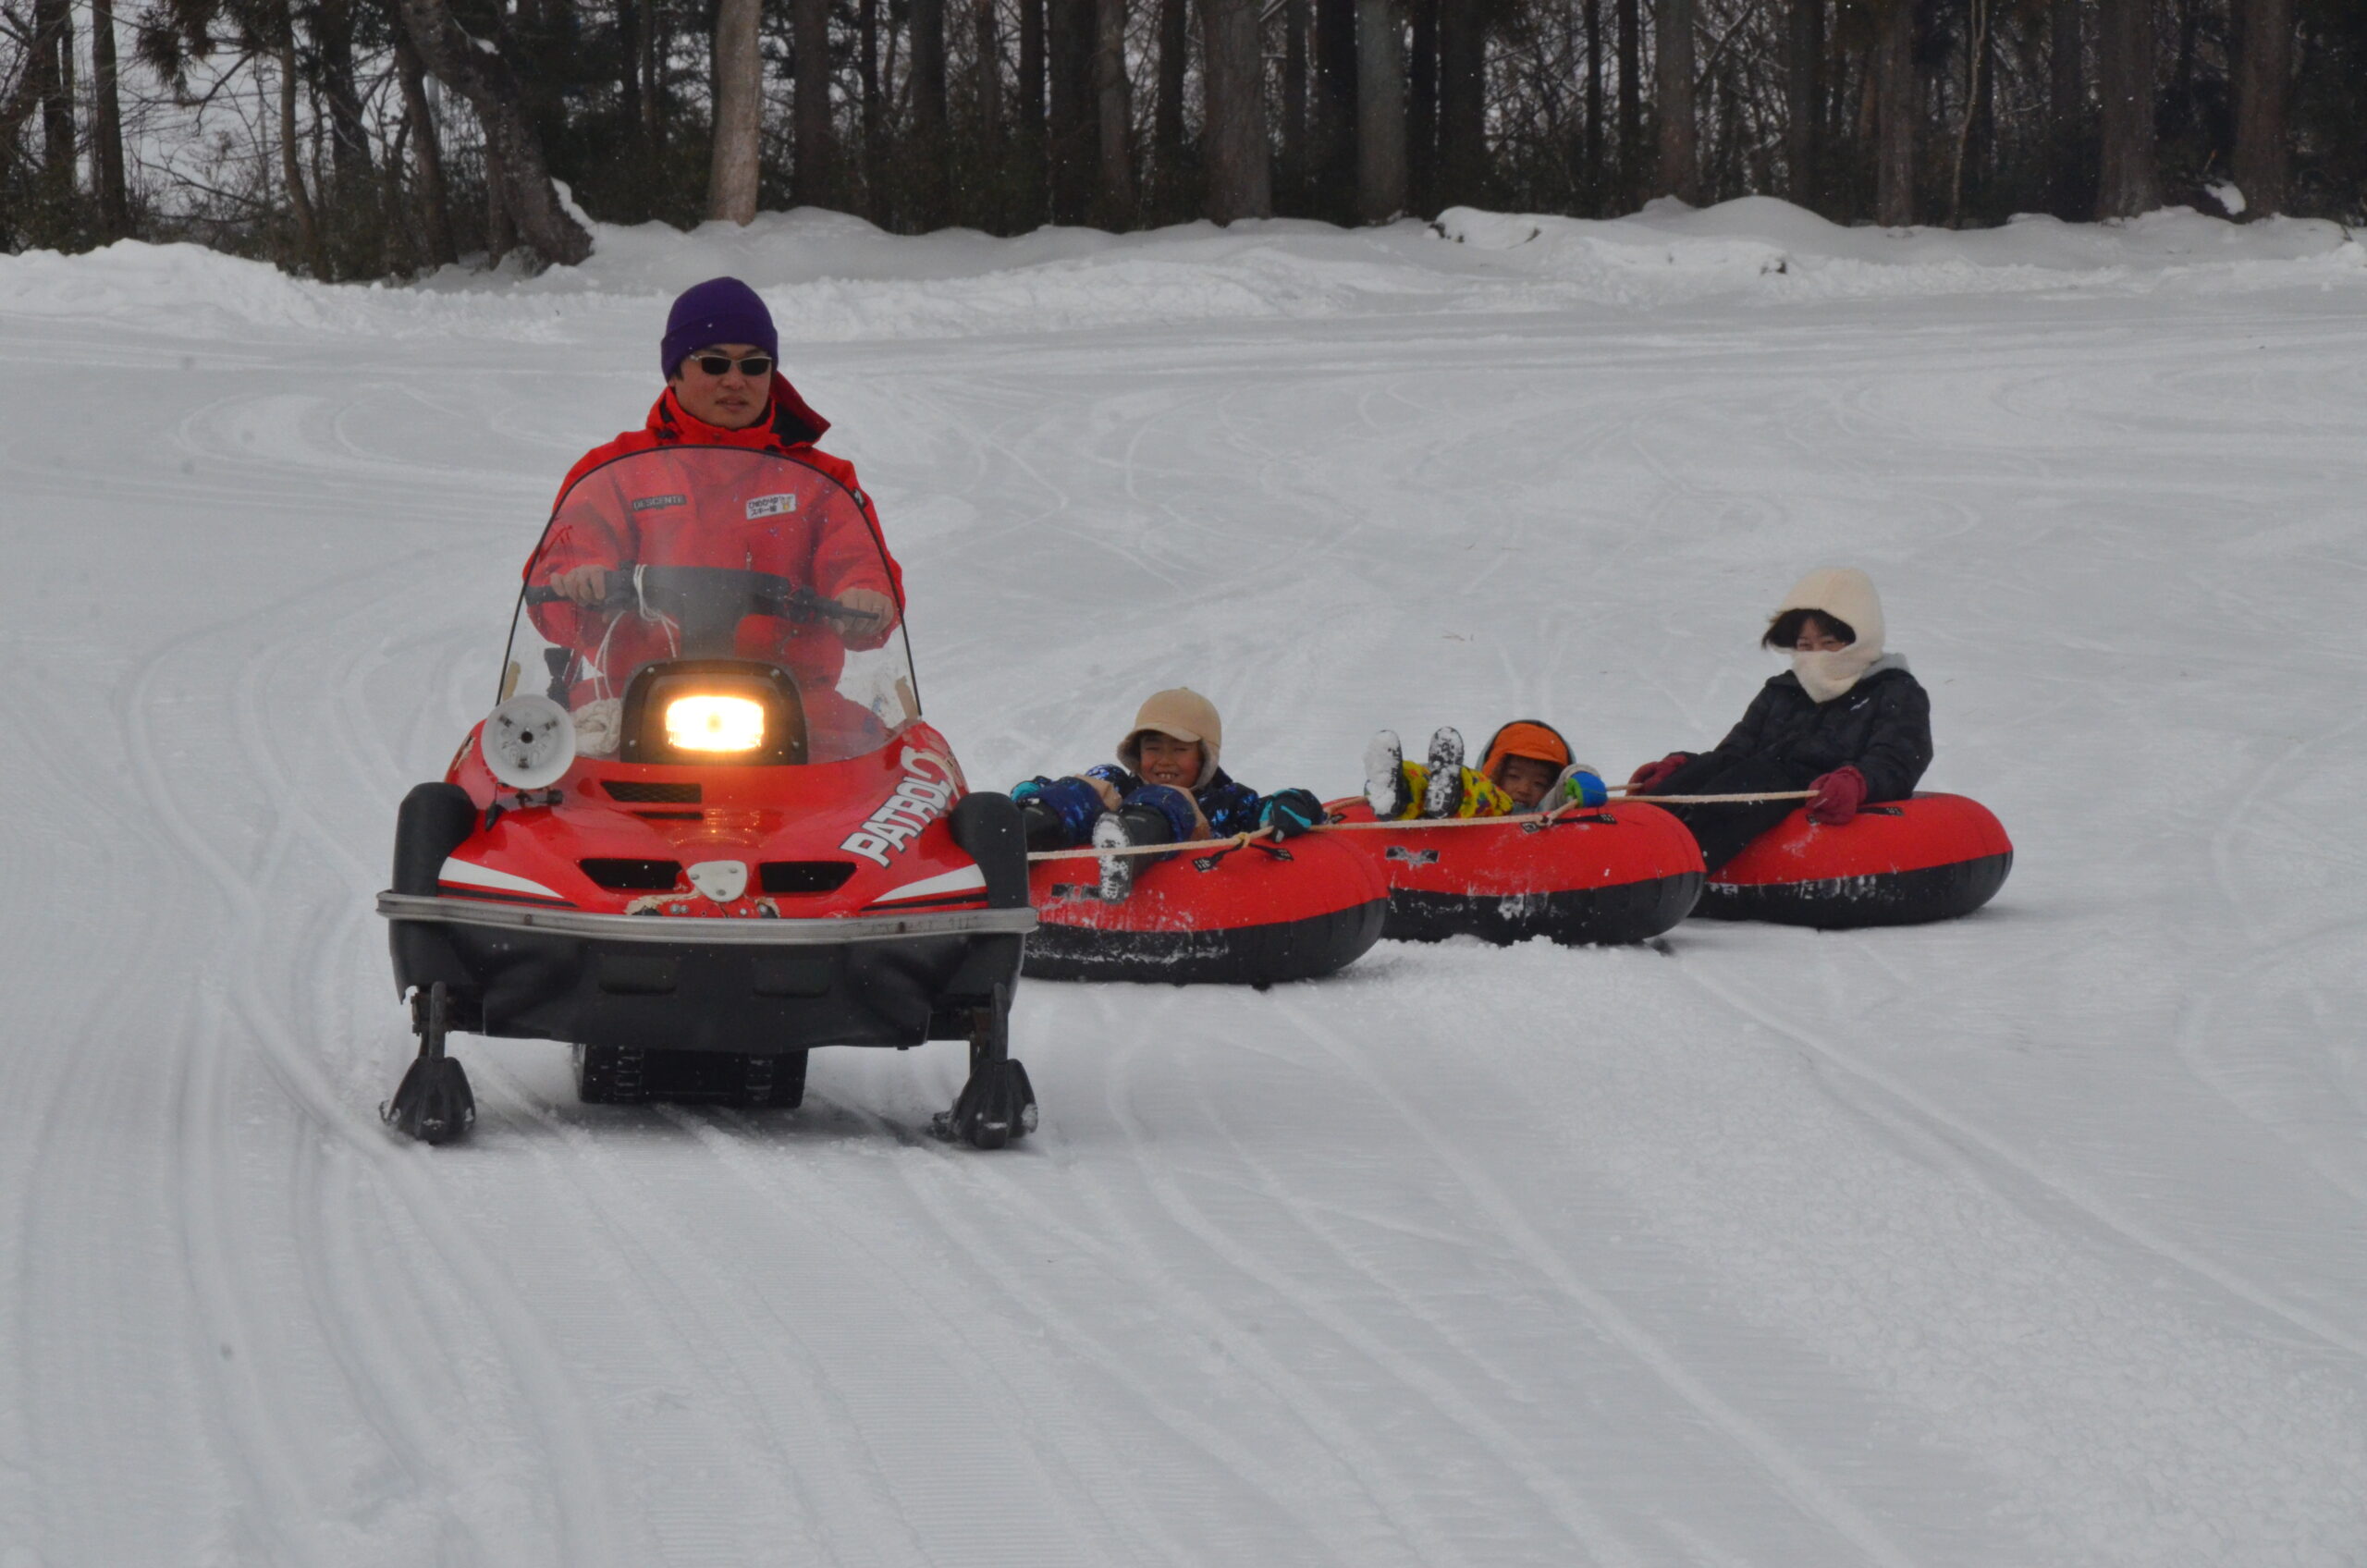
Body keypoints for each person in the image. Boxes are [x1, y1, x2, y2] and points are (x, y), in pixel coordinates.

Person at [523, 277, 903, 753]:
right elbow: (567, 557)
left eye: (754, 365)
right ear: (674, 372)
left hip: (796, 702)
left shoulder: (821, 481)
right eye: (715, 362)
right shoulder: (614, 471)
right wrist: (578, 578)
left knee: (895, 765)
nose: (735, 380)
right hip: (635, 699)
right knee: (524, 762)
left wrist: (864, 594)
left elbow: (857, 558)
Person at [1627, 567, 1932, 873]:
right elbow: (1735, 751)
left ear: (1860, 639)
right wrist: (1684, 768)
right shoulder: (1783, 690)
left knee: (1756, 781)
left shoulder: (1893, 691)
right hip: (1755, 781)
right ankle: (1636, 833)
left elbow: (1898, 759)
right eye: (1805, 646)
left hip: (1810, 792)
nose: (1816, 656)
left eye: (1829, 643)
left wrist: (1858, 781)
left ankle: (1668, 866)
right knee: (1722, 771)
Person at [1012, 689, 1326, 899]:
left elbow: (1272, 808)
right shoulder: (1119, 784)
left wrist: (1291, 804)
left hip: (1182, 887)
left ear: (1205, 756)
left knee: (1168, 798)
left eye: (1179, 750)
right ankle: (1019, 837)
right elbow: (1070, 790)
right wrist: (1036, 793)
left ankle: (1127, 850)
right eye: (1153, 749)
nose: (1164, 761)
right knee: (1095, 785)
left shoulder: (1229, 801)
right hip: (1098, 832)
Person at [1364, 721, 1609, 820]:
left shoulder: (1547, 809)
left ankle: (1447, 794)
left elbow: (1565, 785)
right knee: (1471, 785)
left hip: (1483, 808)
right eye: (1514, 776)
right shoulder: (1489, 787)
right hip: (1465, 807)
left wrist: (1579, 776)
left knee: (1477, 791)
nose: (1524, 788)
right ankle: (1399, 787)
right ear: (1497, 771)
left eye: (1538, 784)